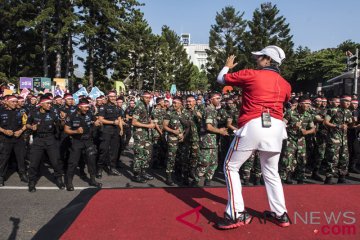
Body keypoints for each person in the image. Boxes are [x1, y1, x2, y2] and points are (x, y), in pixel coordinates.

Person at [216, 46, 291, 229]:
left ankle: (236, 214)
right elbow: (286, 103)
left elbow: (221, 79)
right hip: (276, 128)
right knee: (271, 172)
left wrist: (227, 67)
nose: (256, 59)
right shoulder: (286, 83)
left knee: (230, 166)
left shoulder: (252, 74)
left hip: (254, 124)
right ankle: (280, 214)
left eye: (259, 57)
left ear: (268, 60)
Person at [27, 96, 65, 192]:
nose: (50, 105)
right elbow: (27, 123)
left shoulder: (53, 113)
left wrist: (63, 120)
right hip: (38, 139)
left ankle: (59, 179)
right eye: (47, 103)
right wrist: (32, 127)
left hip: (50, 138)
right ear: (41, 104)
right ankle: (31, 181)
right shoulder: (33, 112)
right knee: (34, 162)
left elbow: (60, 125)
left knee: (55, 161)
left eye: (50, 103)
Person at [64, 98, 102, 191]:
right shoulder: (71, 116)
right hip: (77, 141)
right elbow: (66, 129)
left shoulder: (89, 114)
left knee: (91, 161)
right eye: (85, 107)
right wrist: (76, 131)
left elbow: (96, 121)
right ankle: (69, 182)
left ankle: (92, 180)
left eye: (88, 107)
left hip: (88, 141)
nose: (87, 109)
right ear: (79, 107)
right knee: (73, 162)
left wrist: (97, 122)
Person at [0, 95, 28, 186]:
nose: (15, 103)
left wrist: (20, 131)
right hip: (5, 139)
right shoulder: (1, 111)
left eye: (16, 102)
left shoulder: (21, 112)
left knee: (21, 158)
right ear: (7, 102)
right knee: (4, 158)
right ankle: (1, 177)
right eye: (13, 101)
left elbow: (26, 124)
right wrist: (4, 131)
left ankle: (23, 174)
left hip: (18, 139)